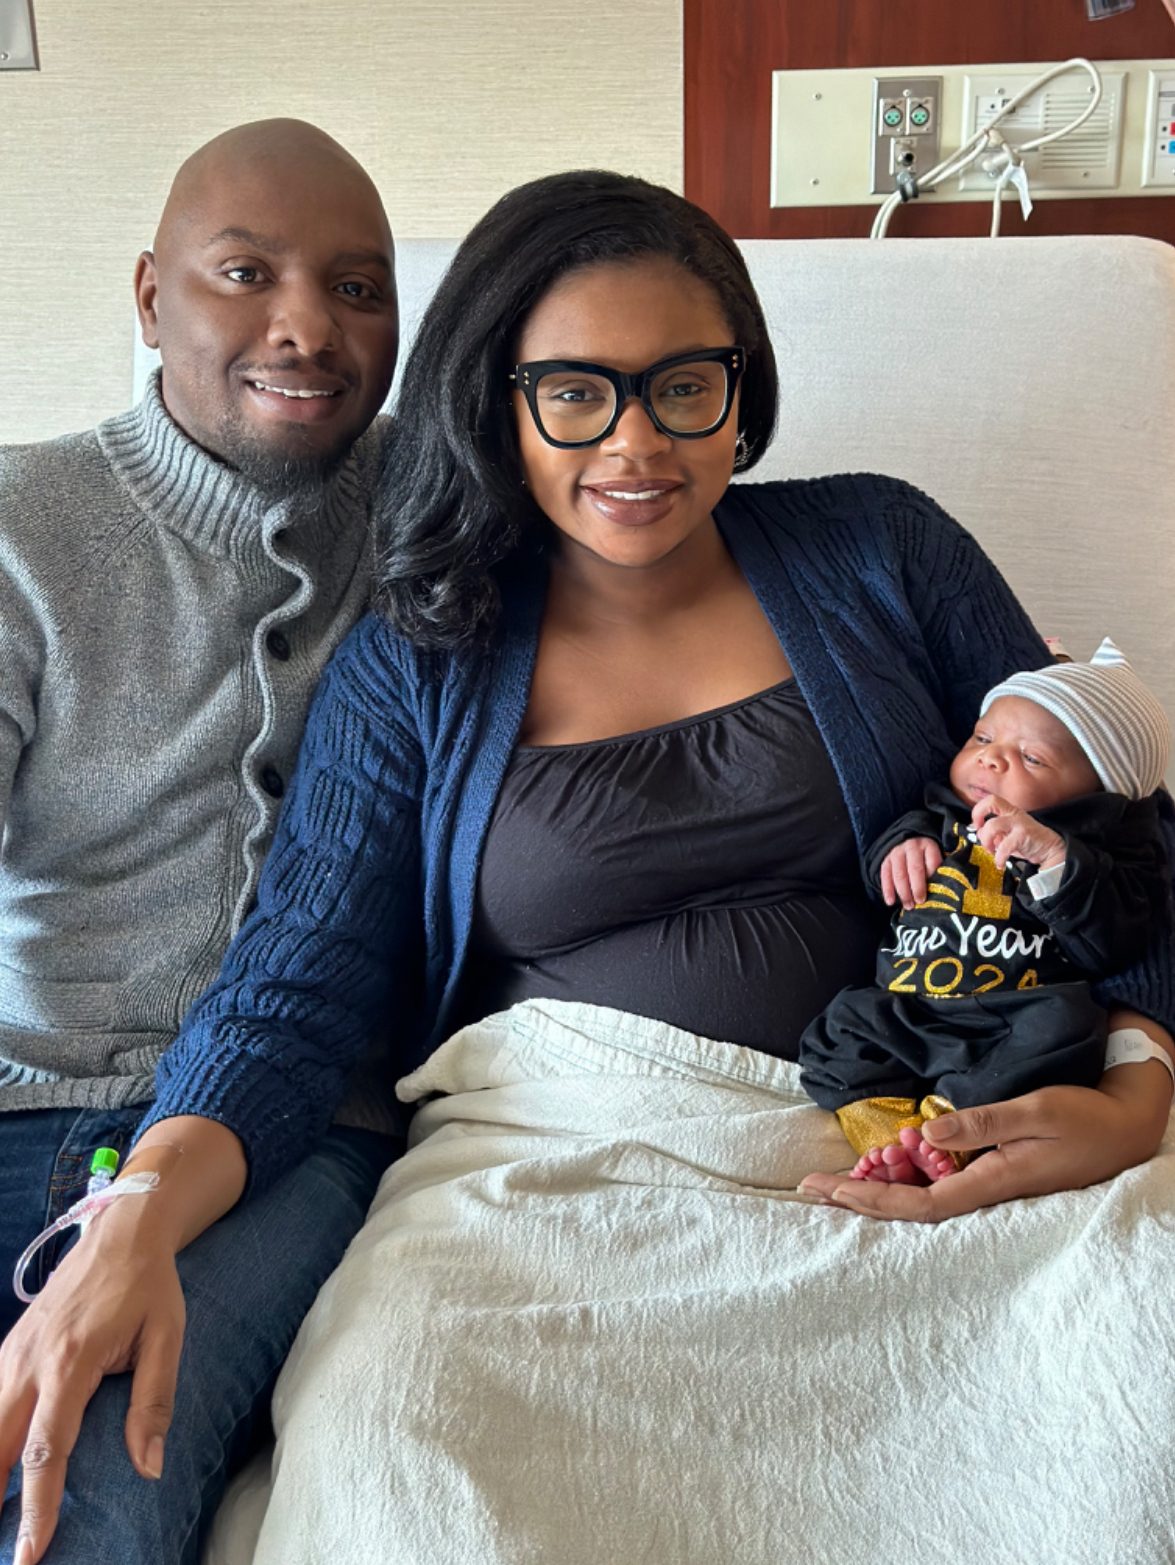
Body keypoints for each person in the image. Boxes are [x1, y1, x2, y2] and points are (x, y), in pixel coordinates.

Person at [5, 169, 1175, 1558]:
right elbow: (299, 981)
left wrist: (1132, 1084)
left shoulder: (880, 546)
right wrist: (138, 1200)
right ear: (498, 402)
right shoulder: (415, 661)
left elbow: (1117, 827)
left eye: (683, 385)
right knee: (404, 1462)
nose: (635, 443)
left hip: (893, 1148)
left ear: (740, 387)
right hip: (544, 1174)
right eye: (573, 392)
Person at [0, 120, 401, 1565]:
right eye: (245, 272)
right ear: (148, 295)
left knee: (80, 1493)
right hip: (23, 1090)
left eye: (361, 288)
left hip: (290, 1133)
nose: (306, 326)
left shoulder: (436, 512)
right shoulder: (23, 522)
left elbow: (635, 485)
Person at [799, 640, 1172, 1184]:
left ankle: (953, 1128)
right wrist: (899, 850)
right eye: (983, 737)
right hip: (910, 1002)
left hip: (1014, 1017)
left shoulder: (1103, 854)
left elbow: (1115, 944)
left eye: (1033, 757)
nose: (990, 758)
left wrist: (1054, 857)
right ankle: (886, 1135)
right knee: (840, 1028)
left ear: (1097, 794)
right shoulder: (941, 813)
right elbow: (886, 857)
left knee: (1069, 1026)